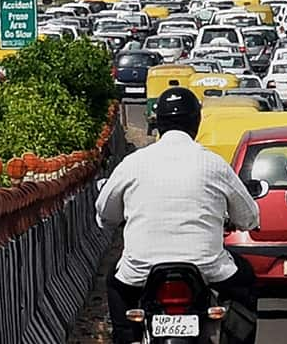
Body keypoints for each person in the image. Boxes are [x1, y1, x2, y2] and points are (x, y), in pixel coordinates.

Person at [96, 87, 260, 344]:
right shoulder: (214, 164)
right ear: (196, 122)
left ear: (158, 123)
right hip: (209, 267)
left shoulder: (133, 163)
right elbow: (249, 217)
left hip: (140, 270)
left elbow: (105, 213)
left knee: (115, 286)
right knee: (245, 279)